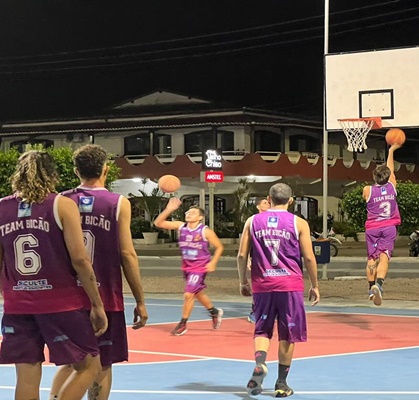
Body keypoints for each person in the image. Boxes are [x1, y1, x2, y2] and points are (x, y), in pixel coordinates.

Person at [0, 150, 107, 400]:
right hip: (61, 303)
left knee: (27, 375)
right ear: (53, 175)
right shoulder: (61, 204)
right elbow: (80, 259)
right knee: (89, 366)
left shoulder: (2, 208)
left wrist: (10, 293)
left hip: (18, 305)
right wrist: (97, 303)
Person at [50, 144, 149, 400]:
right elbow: (127, 254)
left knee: (73, 363)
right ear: (106, 169)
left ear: (75, 171)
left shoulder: (60, 201)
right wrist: (139, 300)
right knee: (102, 364)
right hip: (106, 296)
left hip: (67, 298)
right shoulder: (118, 203)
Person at [237, 183, 320, 397]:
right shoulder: (299, 223)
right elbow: (309, 257)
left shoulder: (252, 221)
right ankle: (282, 383)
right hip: (290, 285)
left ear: (269, 198)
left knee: (262, 329)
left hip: (263, 285)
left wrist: (243, 281)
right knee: (288, 334)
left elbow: (241, 255)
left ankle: (260, 363)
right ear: (291, 200)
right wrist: (315, 285)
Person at [154, 197, 224, 335]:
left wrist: (213, 262)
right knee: (196, 293)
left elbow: (219, 247)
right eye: (187, 212)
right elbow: (158, 223)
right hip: (187, 266)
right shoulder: (181, 226)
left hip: (200, 266)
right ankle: (214, 312)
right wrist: (169, 209)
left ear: (200, 217)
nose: (188, 213)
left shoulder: (205, 231)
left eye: (192, 212)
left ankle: (183, 324)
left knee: (188, 294)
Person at [363, 143, 402, 306]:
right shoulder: (392, 186)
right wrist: (392, 150)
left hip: (372, 228)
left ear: (374, 176)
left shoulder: (367, 190)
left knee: (372, 259)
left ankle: (371, 287)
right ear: (388, 176)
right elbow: (391, 169)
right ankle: (379, 284)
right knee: (384, 256)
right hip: (389, 227)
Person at [247, 198, 271, 323]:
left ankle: (271, 311)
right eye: (264, 203)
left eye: (268, 203)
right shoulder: (253, 220)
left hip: (272, 257)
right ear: (258, 206)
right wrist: (247, 259)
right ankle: (255, 311)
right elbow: (248, 242)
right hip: (257, 257)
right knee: (258, 284)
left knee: (272, 284)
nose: (267, 204)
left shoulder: (274, 219)